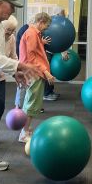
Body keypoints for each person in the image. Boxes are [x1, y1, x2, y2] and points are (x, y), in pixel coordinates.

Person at [0, 0, 39, 184]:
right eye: (11, 6)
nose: (12, 11)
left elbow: (3, 57)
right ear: (0, 3)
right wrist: (23, 67)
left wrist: (16, 72)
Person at [18, 12, 55, 143]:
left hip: (34, 73)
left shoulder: (34, 34)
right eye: (46, 25)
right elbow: (32, 58)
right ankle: (24, 133)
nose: (46, 28)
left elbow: (35, 53)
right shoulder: (32, 34)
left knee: (31, 102)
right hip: (34, 73)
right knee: (31, 104)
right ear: (41, 21)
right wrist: (46, 72)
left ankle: (25, 130)